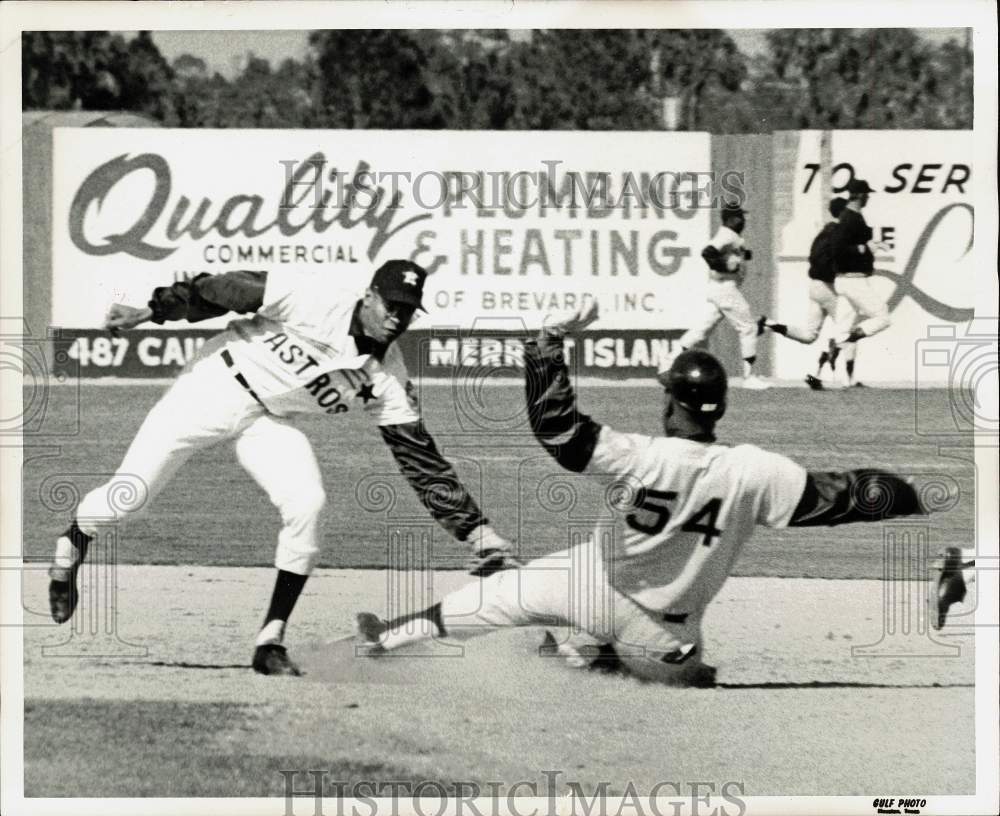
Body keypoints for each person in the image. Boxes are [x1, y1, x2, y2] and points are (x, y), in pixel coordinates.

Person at [355, 303, 962, 684]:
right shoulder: (757, 473)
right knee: (675, 665)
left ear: (671, 402)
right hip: (670, 632)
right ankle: (644, 664)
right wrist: (927, 492)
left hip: (589, 585)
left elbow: (558, 430)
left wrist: (545, 346)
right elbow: (854, 494)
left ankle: (388, 638)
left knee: (486, 603)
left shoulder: (641, 455)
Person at [47, 260, 515, 676]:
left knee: (308, 503)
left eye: (408, 310)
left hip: (269, 419)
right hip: (212, 386)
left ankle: (269, 640)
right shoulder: (317, 299)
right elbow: (223, 289)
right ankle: (72, 545)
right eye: (391, 304)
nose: (397, 316)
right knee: (128, 498)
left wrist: (476, 533)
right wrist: (153, 312)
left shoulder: (388, 377)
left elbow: (419, 458)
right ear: (369, 296)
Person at [759, 197, 858, 390]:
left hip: (814, 286)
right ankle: (848, 379)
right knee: (849, 329)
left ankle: (771, 324)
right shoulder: (839, 233)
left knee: (809, 335)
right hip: (828, 286)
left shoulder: (823, 232)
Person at [671, 202, 770, 390]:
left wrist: (742, 256)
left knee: (702, 330)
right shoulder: (727, 234)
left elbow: (727, 254)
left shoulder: (732, 236)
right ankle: (749, 378)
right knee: (748, 327)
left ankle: (670, 359)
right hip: (725, 288)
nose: (743, 220)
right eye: (740, 217)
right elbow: (707, 252)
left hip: (719, 288)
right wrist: (724, 266)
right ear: (732, 219)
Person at [828, 178, 892, 385]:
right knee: (882, 317)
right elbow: (837, 249)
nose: (868, 198)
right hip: (853, 280)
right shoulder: (850, 218)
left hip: (845, 281)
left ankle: (830, 376)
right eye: (867, 194)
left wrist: (868, 245)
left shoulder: (852, 217)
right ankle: (842, 343)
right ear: (860, 195)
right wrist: (865, 248)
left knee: (842, 326)